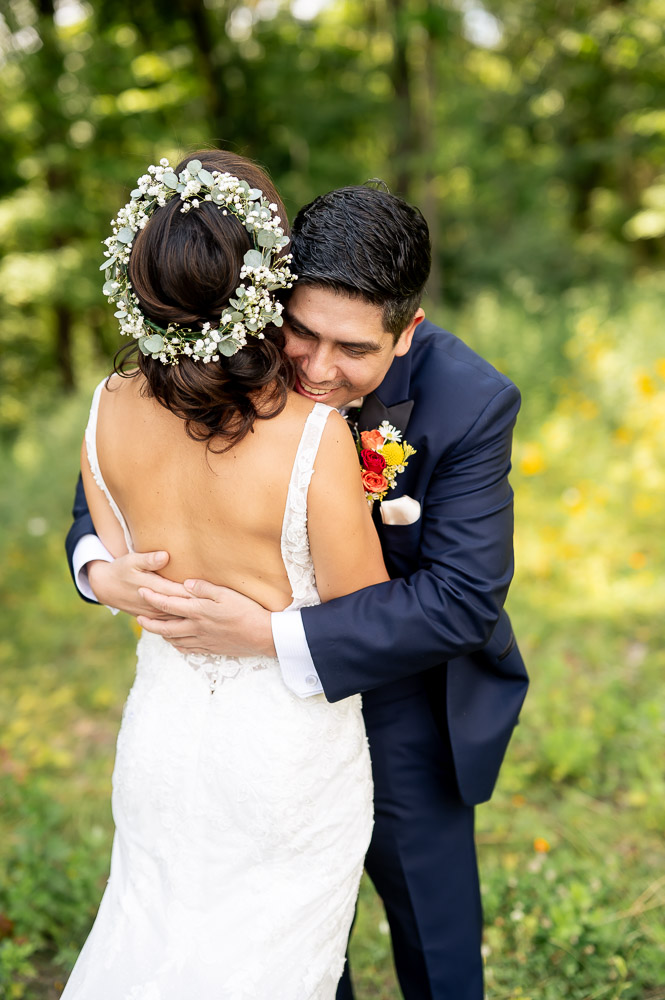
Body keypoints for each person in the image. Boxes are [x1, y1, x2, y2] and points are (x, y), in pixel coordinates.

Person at [67, 183, 529, 999]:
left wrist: (267, 635)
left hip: (405, 700)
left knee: (435, 936)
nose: (316, 371)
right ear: (271, 298)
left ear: (406, 331)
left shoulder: (470, 403)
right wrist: (98, 569)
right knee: (287, 938)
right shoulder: (225, 363)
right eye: (301, 332)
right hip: (254, 734)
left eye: (352, 349)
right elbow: (103, 486)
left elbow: (461, 598)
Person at [60, 150, 390, 1000]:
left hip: (161, 742)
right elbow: (365, 618)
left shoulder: (104, 408)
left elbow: (123, 562)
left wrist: (101, 575)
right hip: (283, 763)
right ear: (266, 283)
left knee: (150, 940)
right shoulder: (312, 438)